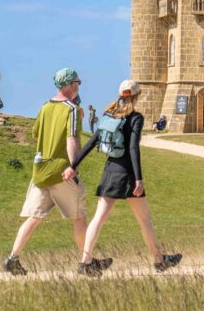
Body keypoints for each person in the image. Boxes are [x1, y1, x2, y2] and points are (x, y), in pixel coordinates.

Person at [69, 79, 182, 276]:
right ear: (137, 95)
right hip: (128, 175)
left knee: (98, 218)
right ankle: (159, 260)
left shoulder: (108, 114)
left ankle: (85, 262)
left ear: (120, 94)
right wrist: (138, 179)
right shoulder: (135, 117)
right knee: (144, 220)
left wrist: (73, 166)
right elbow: (132, 148)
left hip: (110, 172)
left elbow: (91, 142)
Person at [4, 68, 107, 276]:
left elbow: (36, 134)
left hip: (41, 171)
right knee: (79, 217)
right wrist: (74, 166)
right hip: (61, 171)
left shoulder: (44, 108)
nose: (79, 86)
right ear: (71, 85)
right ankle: (87, 262)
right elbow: (72, 140)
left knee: (34, 217)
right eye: (77, 82)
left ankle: (12, 258)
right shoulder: (72, 110)